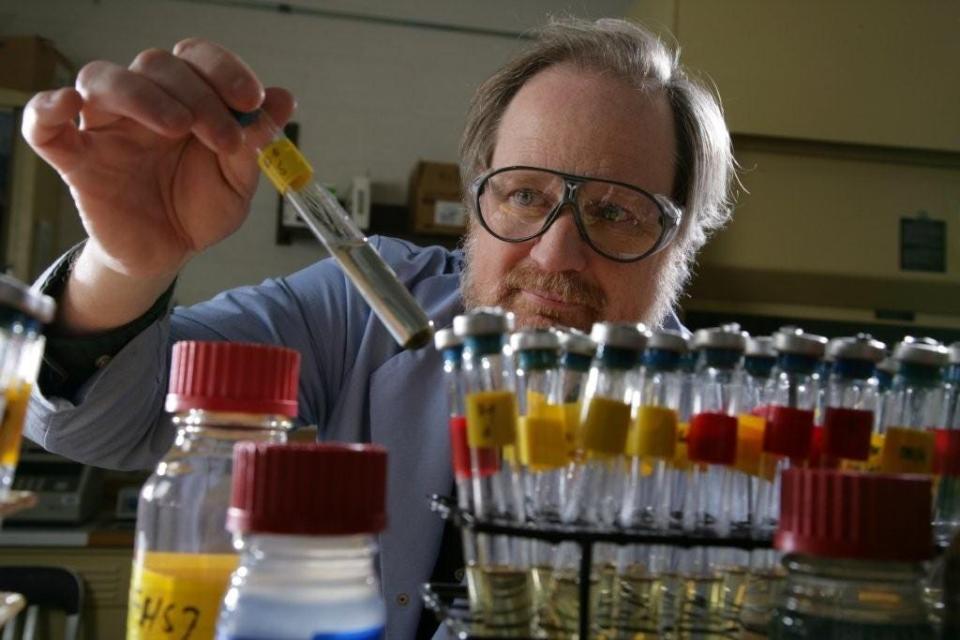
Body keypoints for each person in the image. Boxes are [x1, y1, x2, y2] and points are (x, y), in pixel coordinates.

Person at [22, 17, 734, 639]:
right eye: (524, 194)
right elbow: (96, 425)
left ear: (685, 242)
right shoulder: (362, 311)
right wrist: (125, 263)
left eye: (614, 212)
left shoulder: (736, 444)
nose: (556, 254)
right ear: (476, 195)